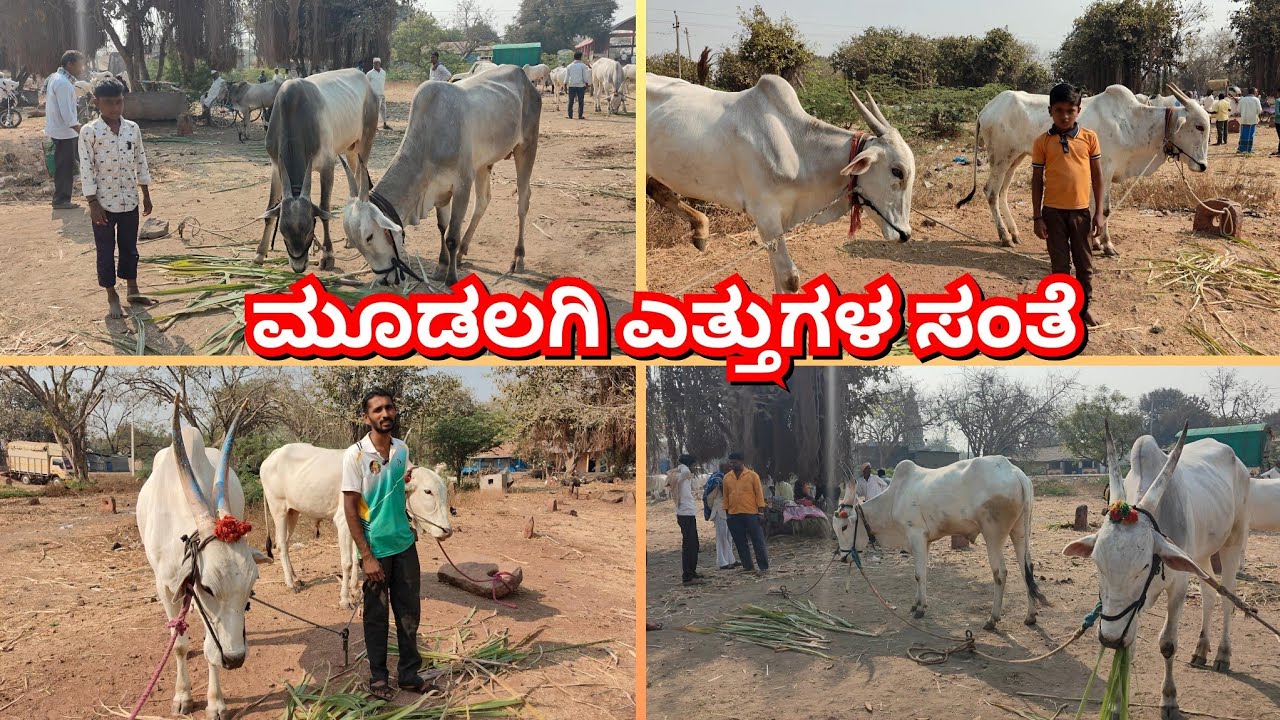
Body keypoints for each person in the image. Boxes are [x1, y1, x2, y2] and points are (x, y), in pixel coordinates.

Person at [342, 388, 431, 700]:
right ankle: (378, 677)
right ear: (366, 417)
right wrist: (366, 555)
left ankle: (408, 674)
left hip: (404, 545)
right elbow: (350, 508)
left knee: (409, 613)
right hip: (375, 549)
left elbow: (398, 491)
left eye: (389, 408)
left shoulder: (402, 449)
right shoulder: (354, 455)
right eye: (377, 410)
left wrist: (409, 523)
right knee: (376, 617)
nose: (385, 414)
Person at [79, 77, 157, 320]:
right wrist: (92, 203)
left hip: (129, 201)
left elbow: (140, 160)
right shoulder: (90, 132)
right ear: (96, 102)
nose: (115, 107)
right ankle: (111, 294)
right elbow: (86, 169)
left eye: (119, 101)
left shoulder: (132, 129)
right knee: (105, 250)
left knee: (130, 247)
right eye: (109, 102)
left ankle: (133, 290)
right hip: (103, 204)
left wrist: (146, 194)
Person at [1031, 82, 1104, 328]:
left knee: (1085, 265)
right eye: (1059, 110)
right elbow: (1036, 180)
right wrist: (1037, 217)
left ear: (1078, 111)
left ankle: (1084, 307)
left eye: (1070, 110)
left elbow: (1098, 177)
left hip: (1081, 213)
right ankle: (1063, 310)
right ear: (1050, 111)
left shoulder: (1089, 138)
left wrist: (1099, 213)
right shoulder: (1042, 142)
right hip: (1052, 214)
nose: (1064, 116)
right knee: (1060, 266)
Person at [44, 50, 83, 210]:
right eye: (79, 64)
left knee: (71, 163)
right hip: (65, 133)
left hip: (61, 131)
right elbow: (67, 115)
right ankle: (61, 200)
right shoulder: (63, 83)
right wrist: (83, 131)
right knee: (65, 167)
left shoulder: (57, 77)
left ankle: (64, 197)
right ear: (70, 64)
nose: (81, 68)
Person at [722, 452, 769, 575]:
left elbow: (759, 494)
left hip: (751, 513)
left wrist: (761, 512)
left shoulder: (752, 476)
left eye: (735, 462)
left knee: (757, 541)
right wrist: (727, 513)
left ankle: (763, 567)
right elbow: (725, 496)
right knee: (740, 542)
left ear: (742, 462)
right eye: (731, 462)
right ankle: (748, 567)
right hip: (733, 514)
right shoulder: (727, 478)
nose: (732, 465)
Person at [668, 454, 703, 585]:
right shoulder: (681, 474)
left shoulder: (683, 476)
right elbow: (685, 471)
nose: (695, 467)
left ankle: (692, 572)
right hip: (685, 514)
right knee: (689, 546)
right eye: (694, 465)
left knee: (694, 545)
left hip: (688, 513)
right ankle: (688, 577)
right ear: (689, 465)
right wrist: (683, 465)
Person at [702, 462, 739, 570]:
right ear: (725, 468)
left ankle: (730, 560)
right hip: (719, 507)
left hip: (727, 508)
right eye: (729, 467)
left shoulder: (724, 477)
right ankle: (722, 562)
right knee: (721, 536)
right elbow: (725, 493)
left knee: (728, 536)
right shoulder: (718, 479)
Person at [367, 57, 390, 130]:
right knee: (375, 111)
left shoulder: (383, 72)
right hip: (374, 95)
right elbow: (366, 84)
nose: (376, 64)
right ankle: (374, 126)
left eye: (377, 63)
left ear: (380, 63)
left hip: (382, 94)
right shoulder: (369, 74)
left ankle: (385, 124)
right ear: (373, 64)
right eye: (374, 63)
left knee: (383, 109)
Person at [565, 51, 589, 120]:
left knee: (571, 101)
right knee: (581, 101)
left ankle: (570, 115)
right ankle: (580, 115)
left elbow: (566, 77)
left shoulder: (569, 66)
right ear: (580, 57)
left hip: (571, 85)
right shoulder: (583, 66)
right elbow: (585, 77)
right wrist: (586, 84)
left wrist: (565, 85)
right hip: (580, 86)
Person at [1238, 87, 1262, 154]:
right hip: (1252, 119)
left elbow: (1238, 110)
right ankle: (1248, 149)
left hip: (1244, 119)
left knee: (1243, 134)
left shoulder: (1242, 99)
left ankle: (1242, 149)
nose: (1257, 93)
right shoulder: (1256, 100)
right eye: (1256, 91)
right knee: (1250, 135)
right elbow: (1259, 110)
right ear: (1254, 92)